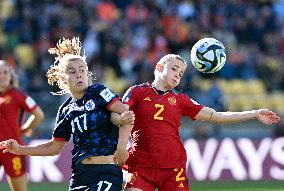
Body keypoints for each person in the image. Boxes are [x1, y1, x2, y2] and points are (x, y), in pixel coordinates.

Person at [121, 54, 280, 191]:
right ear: (159, 67)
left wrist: (254, 113)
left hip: (172, 168)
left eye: (181, 73)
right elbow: (120, 115)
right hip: (140, 165)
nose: (178, 74)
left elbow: (217, 116)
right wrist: (120, 147)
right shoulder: (137, 92)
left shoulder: (180, 100)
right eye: (174, 69)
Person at [0, 37, 134, 191]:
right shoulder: (66, 109)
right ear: (63, 78)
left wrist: (122, 147)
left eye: (82, 70)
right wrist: (20, 149)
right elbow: (54, 147)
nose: (79, 74)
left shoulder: (98, 92)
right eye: (72, 71)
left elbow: (126, 114)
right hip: (80, 175)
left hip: (106, 171)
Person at [0, 60, 45, 191]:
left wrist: (25, 129)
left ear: (11, 75)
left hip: (12, 149)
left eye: (5, 72)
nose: (2, 75)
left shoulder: (18, 95)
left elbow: (39, 114)